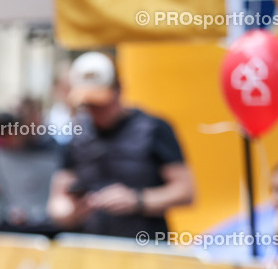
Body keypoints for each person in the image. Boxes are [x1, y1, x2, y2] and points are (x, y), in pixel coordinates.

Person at [47, 51, 194, 238]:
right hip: (90, 247)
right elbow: (57, 199)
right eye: (88, 104)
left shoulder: (153, 128)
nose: (95, 111)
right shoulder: (77, 133)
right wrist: (69, 212)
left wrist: (138, 200)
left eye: (101, 102)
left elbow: (186, 191)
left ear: (119, 90)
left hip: (144, 245)